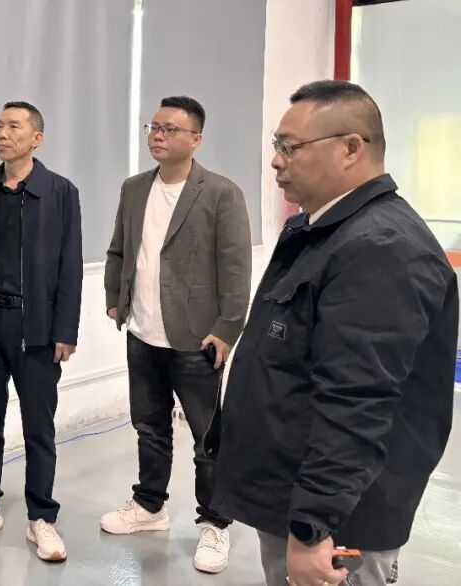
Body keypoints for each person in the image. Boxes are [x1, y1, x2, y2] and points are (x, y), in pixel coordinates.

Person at [209, 80, 459, 586]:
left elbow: (357, 400)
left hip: (337, 518)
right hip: (294, 490)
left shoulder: (380, 248)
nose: (275, 161)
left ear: (351, 148)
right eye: (276, 146)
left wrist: (312, 525)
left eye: (290, 147)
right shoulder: (321, 231)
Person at [101, 95, 252, 575]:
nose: (158, 135)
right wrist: (115, 298)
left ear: (196, 139)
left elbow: (236, 268)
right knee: (149, 427)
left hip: (197, 339)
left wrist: (227, 328)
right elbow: (119, 249)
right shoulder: (134, 189)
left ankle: (214, 522)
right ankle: (150, 506)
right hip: (142, 333)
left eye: (170, 129)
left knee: (208, 438)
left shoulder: (221, 193)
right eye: (154, 127)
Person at [0, 101, 82, 562]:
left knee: (38, 427)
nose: (3, 134)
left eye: (14, 126)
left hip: (38, 329)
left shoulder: (60, 192)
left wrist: (66, 330)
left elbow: (70, 265)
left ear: (36, 139)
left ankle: (41, 516)